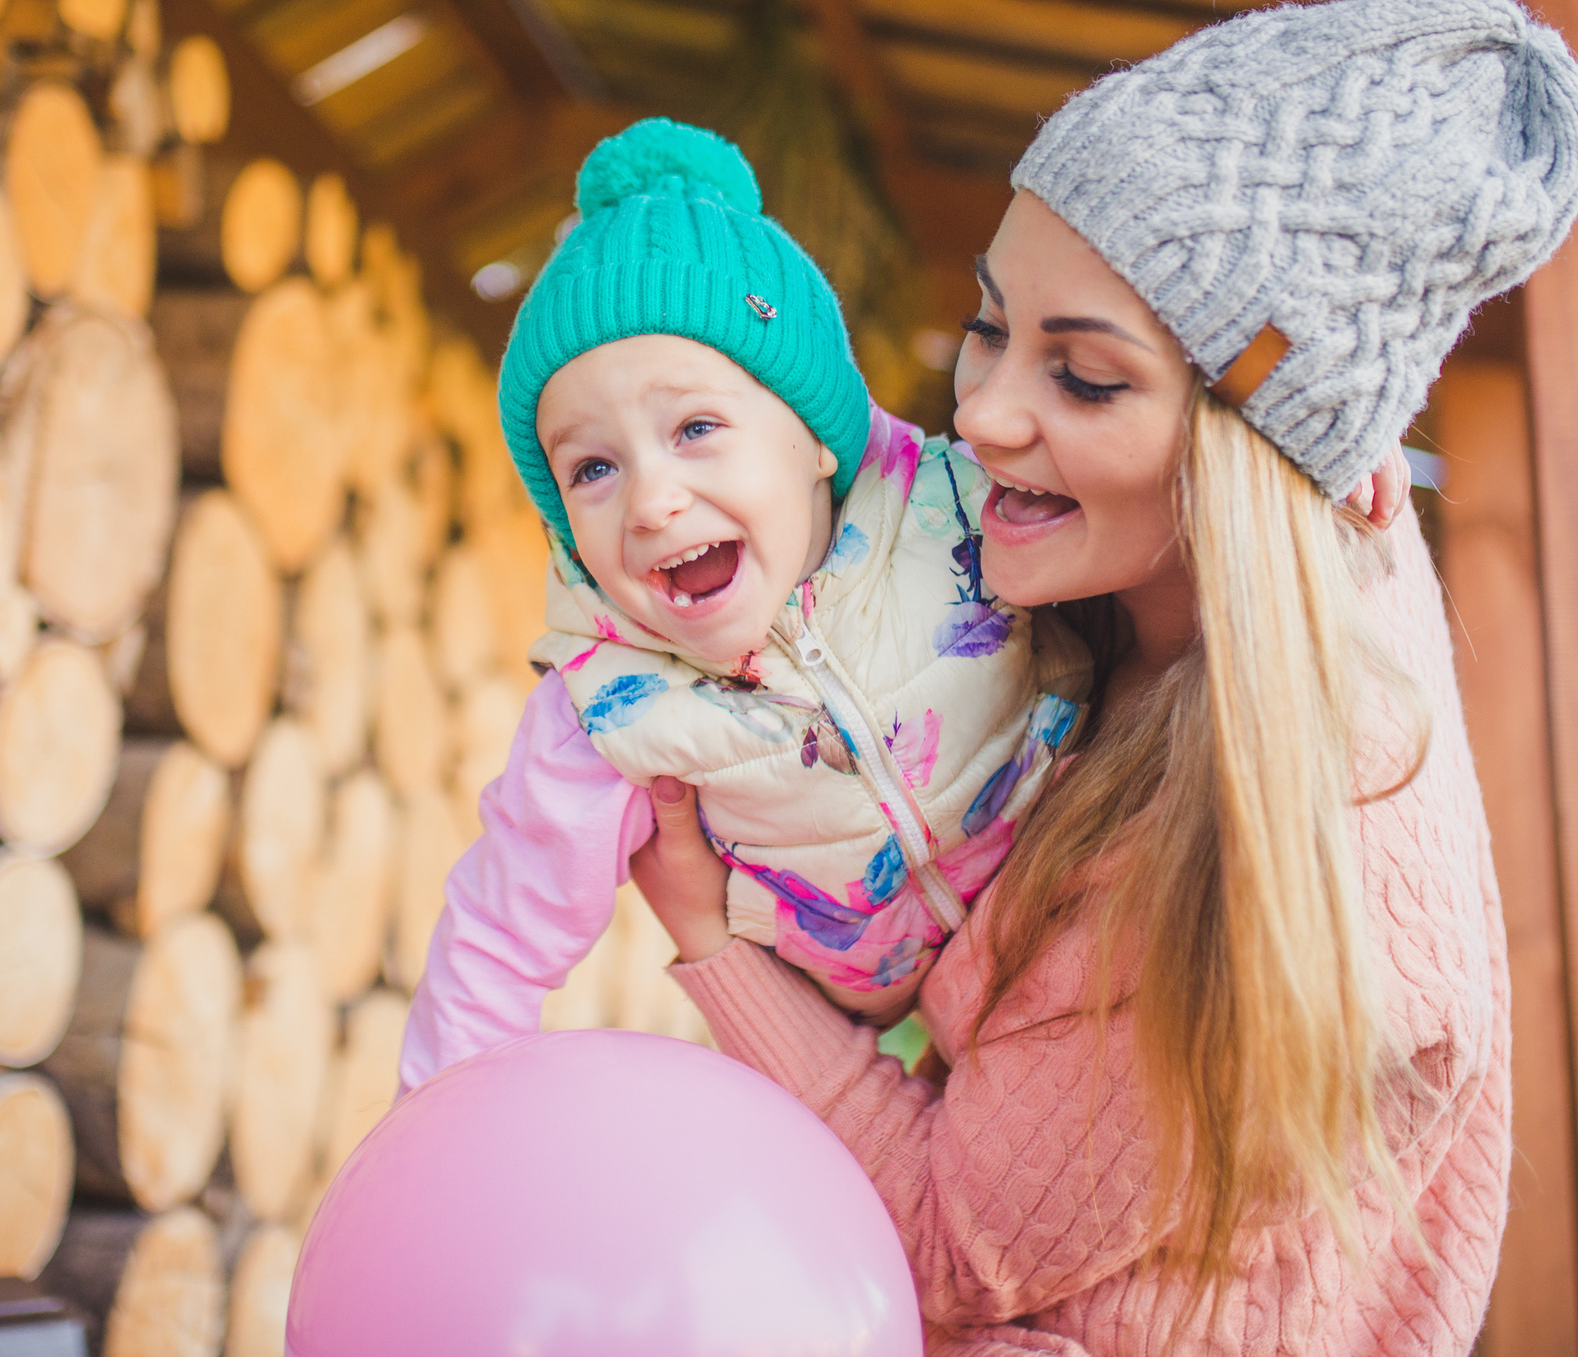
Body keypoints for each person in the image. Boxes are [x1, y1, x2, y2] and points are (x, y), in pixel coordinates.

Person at [627, 0, 1578, 1354]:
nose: (981, 409)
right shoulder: (1185, 575)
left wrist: (714, 939)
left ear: (1253, 454)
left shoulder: (1285, 842)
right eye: (990, 323)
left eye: (1084, 379)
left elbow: (945, 1241)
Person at [399, 118, 1093, 1091]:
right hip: (879, 1025)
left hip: (1086, 900)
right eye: (591, 467)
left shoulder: (954, 507)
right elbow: (496, 938)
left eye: (694, 427)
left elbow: (1135, 501)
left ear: (813, 436)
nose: (650, 500)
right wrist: (432, 1131)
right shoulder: (604, 708)